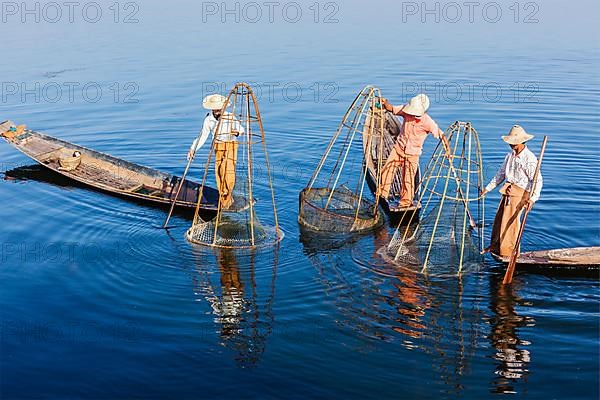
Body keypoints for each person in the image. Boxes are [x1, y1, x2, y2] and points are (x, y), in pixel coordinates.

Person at [378, 94, 450, 208]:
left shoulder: (427, 122)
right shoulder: (406, 110)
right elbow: (392, 109)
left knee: (408, 179)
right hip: (399, 148)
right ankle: (382, 194)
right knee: (387, 169)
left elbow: (442, 135)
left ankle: (405, 202)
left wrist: (448, 151)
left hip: (413, 154)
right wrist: (385, 103)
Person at [480, 125, 543, 257]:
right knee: (500, 219)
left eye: (514, 142)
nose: (511, 145)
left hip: (520, 193)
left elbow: (537, 181)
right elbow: (501, 174)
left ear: (522, 141)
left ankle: (510, 252)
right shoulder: (510, 156)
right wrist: (488, 188)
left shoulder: (529, 158)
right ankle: (496, 246)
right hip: (508, 191)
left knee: (511, 223)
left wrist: (532, 199)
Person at [188, 94, 244, 209]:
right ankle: (223, 194)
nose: (217, 111)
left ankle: (227, 196)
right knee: (219, 171)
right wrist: (193, 149)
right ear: (212, 109)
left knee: (228, 171)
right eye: (215, 109)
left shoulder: (230, 116)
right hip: (218, 145)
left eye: (219, 109)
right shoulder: (209, 120)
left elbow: (241, 130)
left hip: (230, 144)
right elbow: (203, 136)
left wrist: (236, 132)